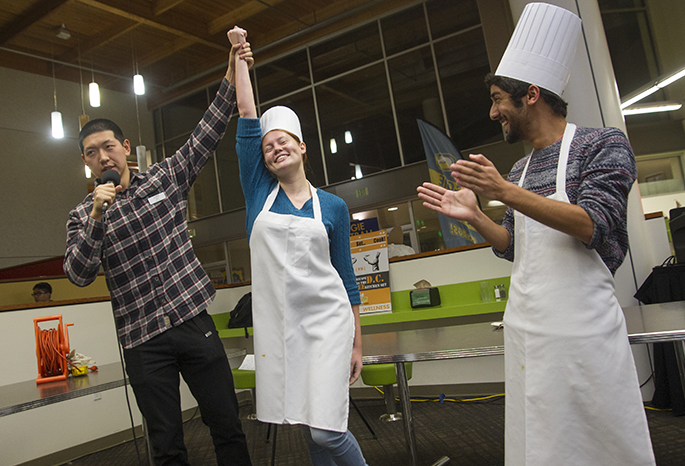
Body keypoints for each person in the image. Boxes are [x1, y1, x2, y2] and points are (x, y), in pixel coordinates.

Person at [417, 3, 655, 466]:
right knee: (541, 445)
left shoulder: (603, 144)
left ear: (530, 95)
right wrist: (476, 218)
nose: (492, 113)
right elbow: (514, 247)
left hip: (582, 332)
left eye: (497, 101)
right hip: (529, 330)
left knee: (602, 442)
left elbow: (592, 223)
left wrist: (503, 191)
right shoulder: (522, 168)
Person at [64, 31, 254, 466]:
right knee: (166, 444)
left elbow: (207, 133)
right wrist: (96, 216)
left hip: (192, 321)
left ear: (126, 149)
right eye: (92, 153)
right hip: (141, 340)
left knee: (226, 423)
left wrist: (230, 71)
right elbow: (78, 274)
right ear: (86, 164)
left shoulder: (165, 178)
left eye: (109, 146)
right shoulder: (83, 214)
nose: (102, 156)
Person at [228, 27, 368, 466]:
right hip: (283, 330)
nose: (274, 148)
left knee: (327, 432)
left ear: (302, 147)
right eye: (268, 146)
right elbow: (247, 112)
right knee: (308, 424)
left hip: (327, 326)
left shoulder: (335, 207)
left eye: (283, 141)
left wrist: (357, 344)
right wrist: (239, 60)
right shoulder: (257, 193)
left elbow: (346, 279)